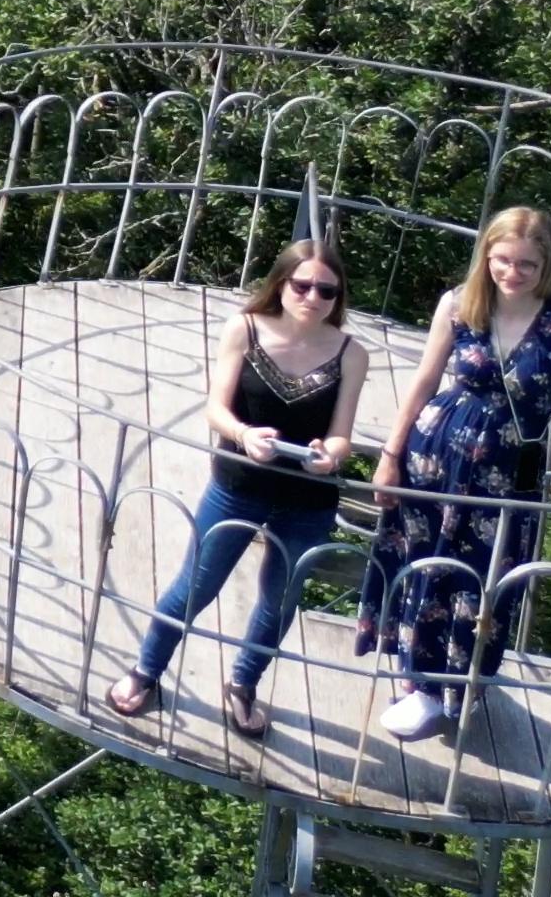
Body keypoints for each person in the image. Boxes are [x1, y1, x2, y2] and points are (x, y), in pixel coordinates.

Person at [358, 205, 551, 741]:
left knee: (486, 582)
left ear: (547, 264)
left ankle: (458, 685)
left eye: (527, 264)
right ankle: (418, 683)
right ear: (486, 256)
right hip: (433, 457)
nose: (512, 273)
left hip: (508, 473)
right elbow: (425, 381)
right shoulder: (460, 304)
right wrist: (390, 455)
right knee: (424, 565)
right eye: (502, 260)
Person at [107, 238, 370, 735]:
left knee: (281, 598)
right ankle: (146, 670)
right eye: (302, 286)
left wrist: (330, 455)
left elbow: (342, 435)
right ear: (281, 283)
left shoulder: (351, 353)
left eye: (327, 291)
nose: (313, 298)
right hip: (239, 484)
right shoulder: (245, 328)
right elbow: (216, 409)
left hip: (308, 497)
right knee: (196, 585)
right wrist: (244, 435)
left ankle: (244, 684)